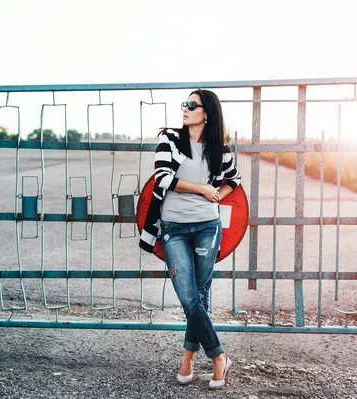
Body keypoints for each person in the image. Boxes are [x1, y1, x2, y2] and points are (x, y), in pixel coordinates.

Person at [139, 89, 241, 390]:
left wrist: (216, 197)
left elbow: (233, 181)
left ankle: (187, 359)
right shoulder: (170, 139)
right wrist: (202, 189)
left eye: (192, 105)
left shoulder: (220, 150)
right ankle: (219, 355)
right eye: (185, 104)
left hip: (208, 227)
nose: (185, 108)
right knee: (188, 296)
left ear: (206, 113)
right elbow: (162, 178)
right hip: (173, 228)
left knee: (200, 292)